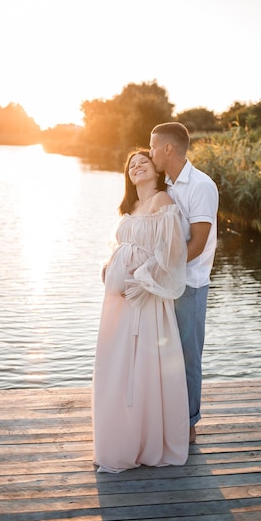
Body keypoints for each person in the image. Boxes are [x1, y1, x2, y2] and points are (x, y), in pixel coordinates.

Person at [92, 149, 189, 473]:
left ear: (155, 170)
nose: (136, 167)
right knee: (119, 365)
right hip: (119, 303)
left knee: (145, 364)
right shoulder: (130, 207)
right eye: (131, 165)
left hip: (146, 299)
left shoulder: (163, 202)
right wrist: (110, 265)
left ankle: (148, 440)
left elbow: (172, 253)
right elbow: (122, 246)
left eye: (143, 162)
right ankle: (122, 435)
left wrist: (145, 283)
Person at [149, 123, 219, 444]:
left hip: (190, 285)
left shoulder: (201, 186)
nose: (149, 154)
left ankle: (189, 425)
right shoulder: (166, 186)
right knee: (166, 355)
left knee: (189, 355)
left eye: (152, 147)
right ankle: (169, 416)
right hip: (168, 285)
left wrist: (167, 270)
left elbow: (199, 243)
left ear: (167, 149)